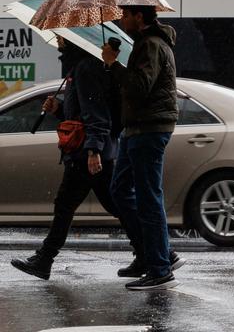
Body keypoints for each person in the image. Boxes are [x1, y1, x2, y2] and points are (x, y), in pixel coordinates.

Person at [10, 37, 142, 280]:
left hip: (87, 152)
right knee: (116, 204)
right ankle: (154, 252)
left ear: (72, 41)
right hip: (90, 149)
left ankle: (44, 259)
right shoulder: (78, 68)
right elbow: (80, 113)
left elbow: (97, 113)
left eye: (62, 37)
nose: (58, 40)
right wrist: (58, 110)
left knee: (67, 205)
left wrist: (94, 150)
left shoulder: (86, 68)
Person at [102, 5, 180, 291]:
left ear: (139, 16)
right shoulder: (144, 44)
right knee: (120, 190)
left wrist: (113, 64)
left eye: (125, 15)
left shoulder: (151, 45)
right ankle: (149, 254)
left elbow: (138, 88)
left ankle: (160, 268)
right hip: (135, 128)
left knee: (148, 197)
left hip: (149, 128)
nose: (121, 20)